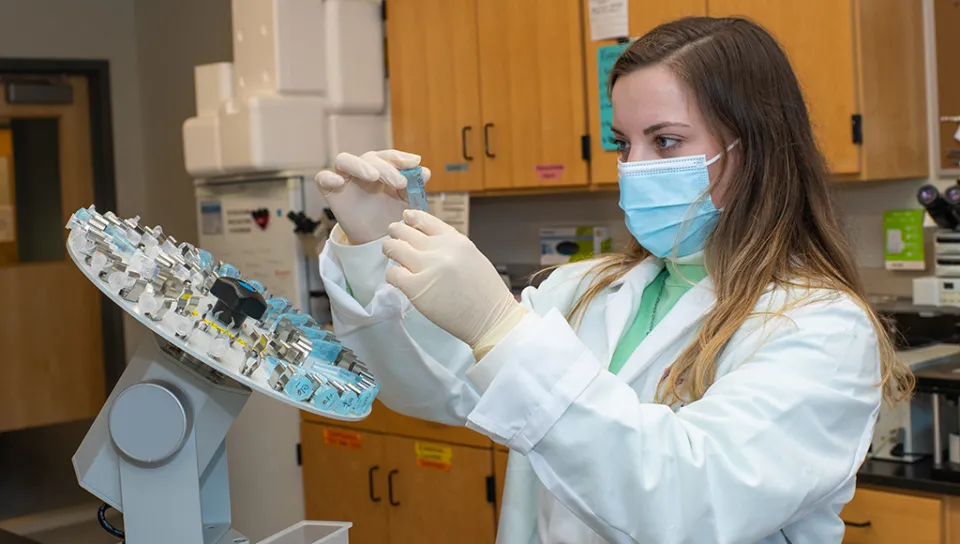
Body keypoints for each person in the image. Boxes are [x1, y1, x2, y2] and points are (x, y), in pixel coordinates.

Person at [315, 16, 913, 544]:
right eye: (624, 144)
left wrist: (501, 328)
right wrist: (373, 246)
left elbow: (688, 505)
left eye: (667, 141)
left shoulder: (821, 327)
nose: (635, 169)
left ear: (755, 146)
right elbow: (430, 386)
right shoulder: (586, 289)